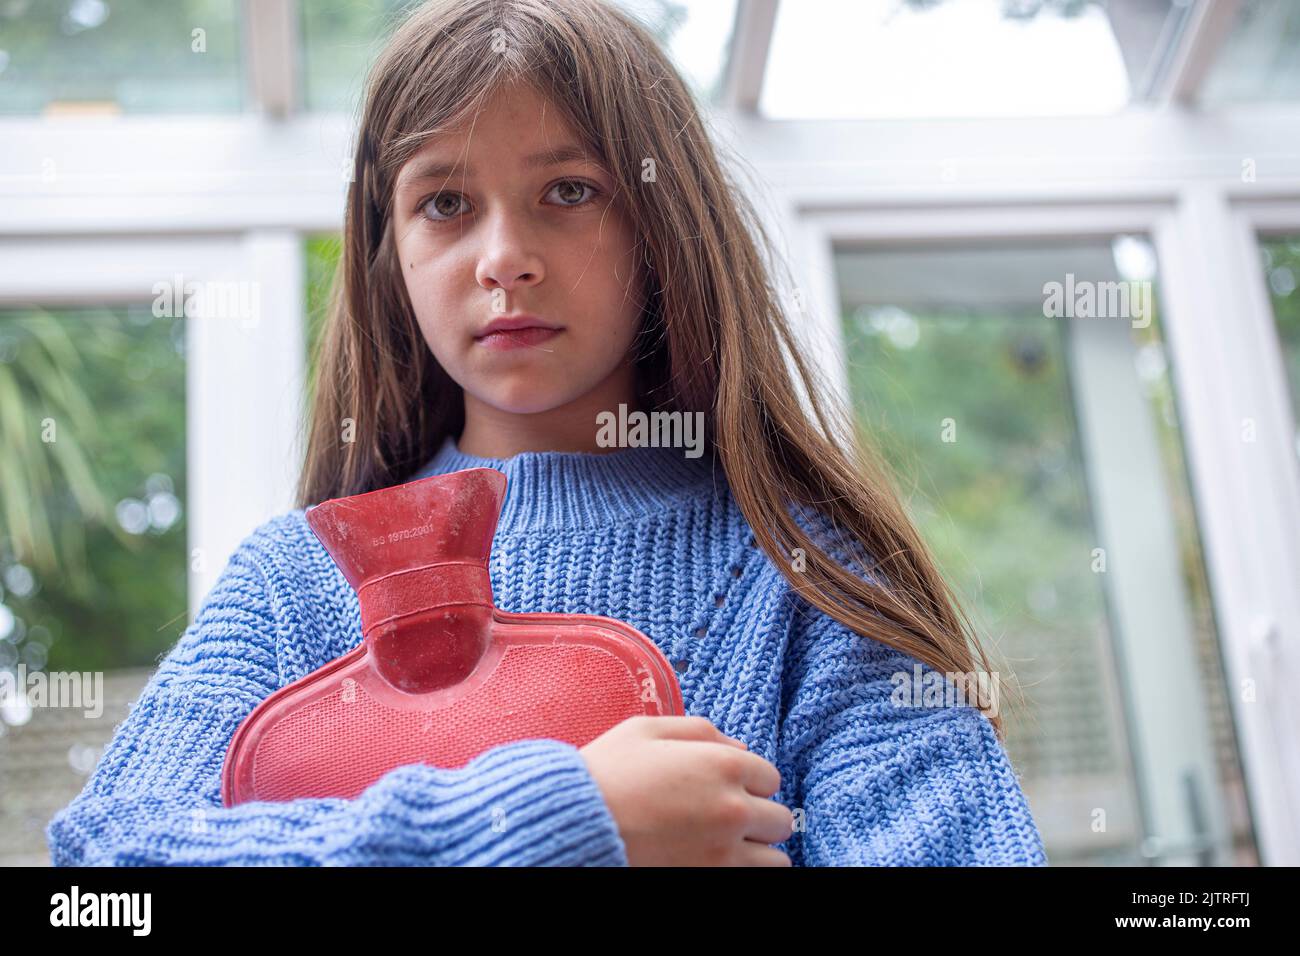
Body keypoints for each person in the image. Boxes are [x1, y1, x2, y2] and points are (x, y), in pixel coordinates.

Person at [46, 0, 1047, 867]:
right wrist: (558, 820)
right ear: (387, 255)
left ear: (665, 228)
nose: (506, 257)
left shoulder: (808, 575)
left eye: (568, 191)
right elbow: (104, 874)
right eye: (444, 203)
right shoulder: (294, 584)